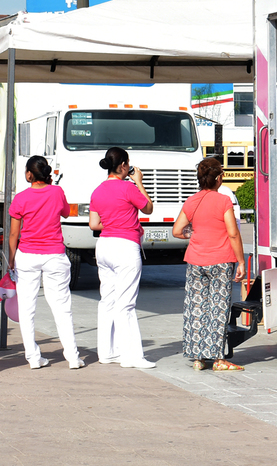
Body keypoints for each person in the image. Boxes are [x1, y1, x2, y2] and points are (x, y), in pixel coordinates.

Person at [172, 157, 247, 371]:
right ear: (218, 178)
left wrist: (194, 234)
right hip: (221, 261)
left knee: (196, 308)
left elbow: (177, 231)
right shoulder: (223, 201)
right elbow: (233, 233)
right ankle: (218, 359)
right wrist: (241, 262)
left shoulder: (191, 201)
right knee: (218, 308)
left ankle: (198, 358)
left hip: (196, 261)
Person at [8, 155, 83, 369]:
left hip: (27, 255)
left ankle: (33, 357)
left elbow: (14, 234)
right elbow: (66, 213)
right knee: (62, 307)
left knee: (27, 309)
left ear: (29, 174)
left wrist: (11, 259)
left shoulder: (20, 198)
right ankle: (73, 357)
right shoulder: (57, 192)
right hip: (54, 255)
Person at [88, 146, 154, 368]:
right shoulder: (128, 188)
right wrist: (139, 183)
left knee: (107, 300)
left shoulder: (97, 190)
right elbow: (148, 208)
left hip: (104, 245)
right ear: (124, 165)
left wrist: (113, 222)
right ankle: (132, 356)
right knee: (126, 304)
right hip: (125, 247)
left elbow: (94, 224)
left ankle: (107, 353)